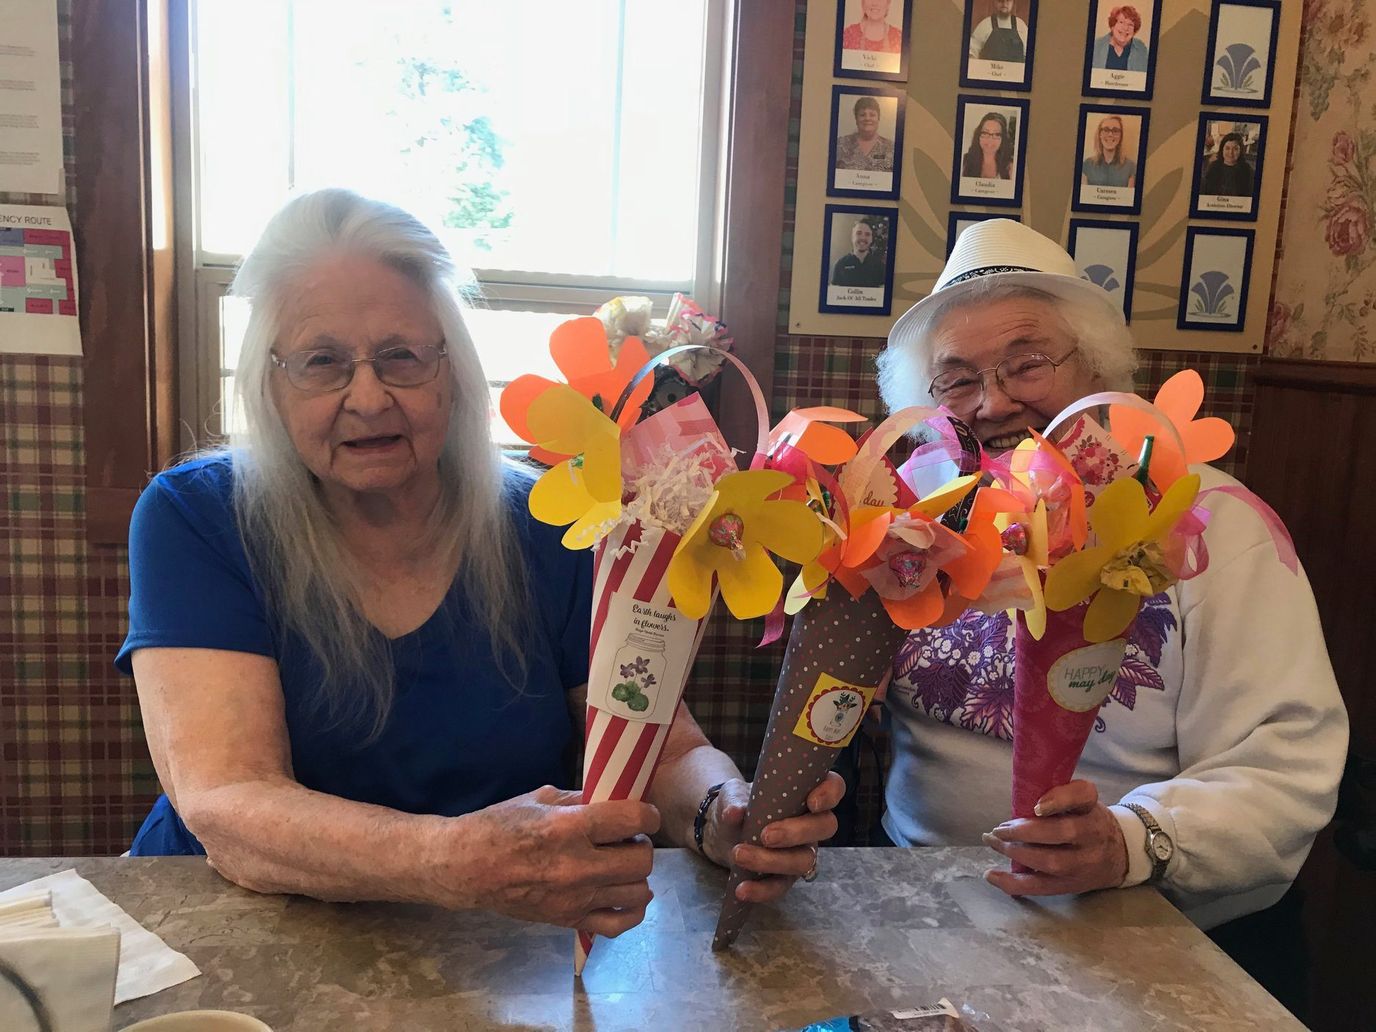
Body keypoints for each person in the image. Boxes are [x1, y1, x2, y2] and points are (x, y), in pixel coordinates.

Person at [117, 189, 843, 937]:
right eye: (321, 361)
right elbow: (225, 801)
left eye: (401, 357)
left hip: (496, 935)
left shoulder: (551, 518)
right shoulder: (195, 516)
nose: (367, 398)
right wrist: (452, 859)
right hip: (233, 927)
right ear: (270, 383)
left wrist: (722, 813)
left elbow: (661, 745)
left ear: (453, 370)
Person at [874, 217, 1347, 1008]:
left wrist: (1130, 841)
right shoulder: (916, 525)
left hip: (1158, 928)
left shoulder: (1210, 521)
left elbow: (1283, 764)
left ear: (1097, 369)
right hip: (926, 921)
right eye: (956, 381)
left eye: (1027, 364)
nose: (992, 402)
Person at [835, 96, 895, 174]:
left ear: (878, 118)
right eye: (862, 115)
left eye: (872, 115)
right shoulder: (840, 144)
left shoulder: (891, 148)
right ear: (856, 119)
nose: (867, 118)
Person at [1081, 114, 1136, 189]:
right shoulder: (1087, 165)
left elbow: (1129, 196)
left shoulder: (1130, 167)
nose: (1110, 134)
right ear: (1099, 134)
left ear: (1121, 136)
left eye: (1115, 130)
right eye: (1106, 130)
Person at [1091, 5, 1149, 73]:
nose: (1125, 28)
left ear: (1134, 30)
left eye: (1130, 25)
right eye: (1121, 22)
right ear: (1113, 26)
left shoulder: (1141, 49)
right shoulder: (1097, 46)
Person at [831, 219, 887, 287]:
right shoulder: (840, 265)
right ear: (852, 237)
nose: (863, 237)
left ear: (871, 239)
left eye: (867, 234)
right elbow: (834, 292)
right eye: (859, 233)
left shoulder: (880, 266)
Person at [961, 112, 1014, 181]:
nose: (990, 139)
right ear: (978, 136)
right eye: (985, 133)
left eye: (997, 134)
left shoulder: (1011, 167)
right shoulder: (964, 161)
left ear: (1003, 139)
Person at [1201, 131, 1255, 197]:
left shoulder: (1247, 170)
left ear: (1241, 151)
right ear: (1222, 150)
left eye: (1235, 149)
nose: (1231, 153)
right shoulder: (1213, 167)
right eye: (1227, 148)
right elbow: (1206, 193)